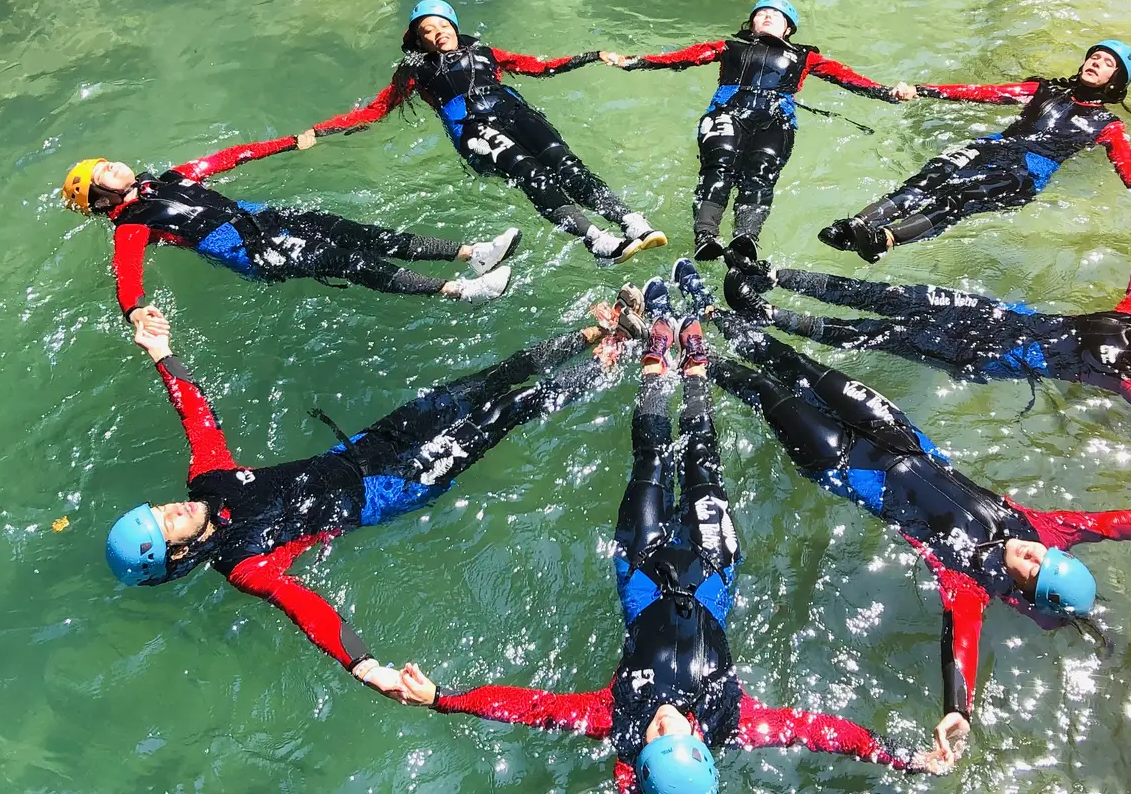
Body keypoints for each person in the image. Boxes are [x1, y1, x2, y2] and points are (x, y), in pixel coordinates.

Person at [388, 281, 954, 792]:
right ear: (701, 746)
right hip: (712, 565)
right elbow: (822, 733)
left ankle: (655, 365)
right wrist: (906, 759)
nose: (662, 720)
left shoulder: (619, 721)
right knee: (703, 456)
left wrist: (443, 700)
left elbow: (534, 708)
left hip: (639, 569)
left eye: (655, 735)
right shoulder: (736, 721)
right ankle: (697, 369)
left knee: (650, 459)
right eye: (673, 731)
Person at [679, 259, 1131, 744]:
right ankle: (707, 310)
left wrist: (958, 709)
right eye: (1042, 554)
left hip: (845, 465)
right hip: (900, 435)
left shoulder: (970, 585)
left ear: (1023, 591)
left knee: (767, 391)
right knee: (801, 367)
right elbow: (1123, 523)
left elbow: (960, 649)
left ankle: (691, 354)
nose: (1029, 552)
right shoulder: (1043, 528)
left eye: (1031, 569)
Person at [104, 305, 628, 696]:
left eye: (157, 508)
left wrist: (160, 352)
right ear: (173, 556)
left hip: (366, 447)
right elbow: (307, 610)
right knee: (505, 411)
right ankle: (608, 364)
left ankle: (598, 330)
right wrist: (367, 667)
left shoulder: (207, 480)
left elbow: (195, 413)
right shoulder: (245, 563)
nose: (170, 509)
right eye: (164, 526)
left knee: (485, 382)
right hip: (394, 488)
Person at [722, 234, 1131, 508]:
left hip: (987, 355)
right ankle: (772, 277)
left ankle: (771, 317)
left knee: (877, 333)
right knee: (888, 296)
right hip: (994, 317)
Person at [598, 0, 956, 263]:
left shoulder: (806, 58)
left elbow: (849, 80)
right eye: (761, 14)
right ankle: (706, 236)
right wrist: (630, 62)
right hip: (727, 112)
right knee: (719, 167)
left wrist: (889, 93)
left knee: (760, 174)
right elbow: (678, 58)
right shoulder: (727, 48)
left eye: (776, 15)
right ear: (751, 24)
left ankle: (745, 238)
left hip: (777, 120)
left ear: (788, 28)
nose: (767, 17)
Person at [312, 0, 666, 263]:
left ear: (454, 24)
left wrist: (592, 55)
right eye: (427, 32)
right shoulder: (414, 70)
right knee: (533, 175)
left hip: (516, 112)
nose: (438, 34)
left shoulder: (484, 51)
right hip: (473, 128)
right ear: (418, 42)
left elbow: (539, 67)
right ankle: (597, 241)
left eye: (443, 26)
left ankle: (631, 221)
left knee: (566, 165)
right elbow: (375, 111)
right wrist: (318, 132)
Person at [61, 130, 520, 315]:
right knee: (347, 260)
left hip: (260, 215)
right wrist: (136, 310)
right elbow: (127, 274)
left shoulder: (172, 178)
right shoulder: (131, 225)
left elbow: (228, 157)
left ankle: (472, 253)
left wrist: (287, 144)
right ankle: (461, 291)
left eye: (107, 162)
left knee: (356, 232)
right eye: (102, 174)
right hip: (248, 249)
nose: (113, 166)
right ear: (100, 199)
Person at [820, 40, 1131, 261]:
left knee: (960, 197)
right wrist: (924, 90)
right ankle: (855, 225)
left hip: (1028, 170)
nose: (1095, 62)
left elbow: (1127, 163)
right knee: (930, 177)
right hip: (995, 147)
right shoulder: (1042, 90)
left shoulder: (1106, 123)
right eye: (1094, 56)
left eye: (1106, 63)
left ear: (1116, 80)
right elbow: (982, 92)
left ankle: (883, 240)